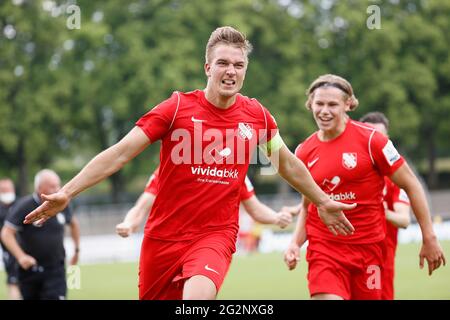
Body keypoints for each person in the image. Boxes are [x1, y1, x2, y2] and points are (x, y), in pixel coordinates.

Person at [23, 27, 356, 300]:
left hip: (215, 235)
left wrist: (321, 200)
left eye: (239, 65)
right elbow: (120, 153)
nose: (231, 71)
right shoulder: (176, 108)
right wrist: (67, 192)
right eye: (223, 63)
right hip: (163, 238)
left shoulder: (257, 116)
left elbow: (287, 164)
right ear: (208, 68)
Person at [284, 74, 445, 300]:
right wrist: (295, 242)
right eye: (319, 104)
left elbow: (412, 184)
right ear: (310, 104)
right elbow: (306, 205)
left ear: (348, 104)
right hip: (325, 249)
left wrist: (429, 237)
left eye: (332, 104)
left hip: (368, 249)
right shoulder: (303, 151)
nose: (324, 111)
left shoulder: (373, 141)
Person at [116, 168, 293, 238]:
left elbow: (255, 208)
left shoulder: (233, 171)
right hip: (167, 241)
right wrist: (129, 223)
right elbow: (141, 206)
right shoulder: (170, 168)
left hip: (209, 241)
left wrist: (276, 217)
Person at [1, 169, 81, 300]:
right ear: (39, 188)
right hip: (30, 271)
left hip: (56, 269)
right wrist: (21, 257)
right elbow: (6, 233)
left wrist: (77, 250)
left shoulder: (62, 204)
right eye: (52, 186)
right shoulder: (24, 206)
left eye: (58, 185)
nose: (57, 189)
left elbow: (74, 224)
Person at [360, 111, 411, 300]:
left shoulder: (395, 178)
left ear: (387, 139)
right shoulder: (352, 173)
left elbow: (404, 220)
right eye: (370, 135)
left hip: (381, 259)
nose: (375, 141)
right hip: (347, 255)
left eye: (379, 136)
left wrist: (380, 210)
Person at [0, 178, 21, 300]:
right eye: (3, 190)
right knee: (13, 282)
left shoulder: (21, 204)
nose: (7, 192)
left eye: (8, 189)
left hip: (27, 250)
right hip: (9, 252)